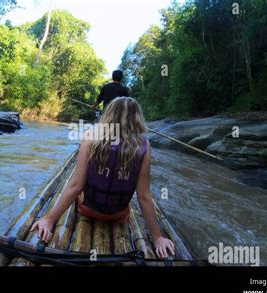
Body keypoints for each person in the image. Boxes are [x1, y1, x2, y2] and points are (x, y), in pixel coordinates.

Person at [31, 97, 175, 258]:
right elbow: (143, 196)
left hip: (87, 209)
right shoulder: (144, 146)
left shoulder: (91, 137)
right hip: (118, 215)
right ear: (136, 119)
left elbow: (76, 186)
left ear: (108, 115)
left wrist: (49, 220)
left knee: (77, 179)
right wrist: (157, 237)